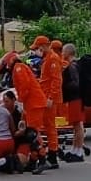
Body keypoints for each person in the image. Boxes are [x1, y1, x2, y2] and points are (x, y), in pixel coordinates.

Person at [0, 51, 49, 174]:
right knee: (31, 131)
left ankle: (42, 160)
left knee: (33, 133)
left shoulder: (18, 68)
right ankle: (33, 161)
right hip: (31, 103)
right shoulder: (18, 68)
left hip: (34, 103)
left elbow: (25, 87)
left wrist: (20, 102)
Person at [32, 35, 63, 167]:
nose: (37, 51)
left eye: (38, 48)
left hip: (50, 98)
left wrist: (51, 97)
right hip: (45, 97)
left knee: (50, 127)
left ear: (44, 46)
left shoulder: (53, 58)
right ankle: (51, 154)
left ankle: (52, 156)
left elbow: (56, 80)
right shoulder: (47, 58)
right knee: (47, 126)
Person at [60, 43, 86, 163]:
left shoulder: (72, 66)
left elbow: (76, 84)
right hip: (75, 98)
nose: (62, 54)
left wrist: (64, 85)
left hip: (76, 98)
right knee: (76, 125)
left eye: (63, 51)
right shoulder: (75, 65)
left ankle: (79, 151)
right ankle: (75, 149)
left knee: (78, 126)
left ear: (68, 53)